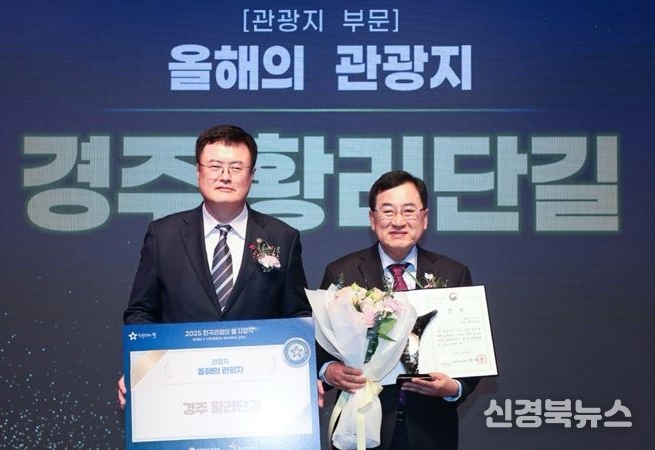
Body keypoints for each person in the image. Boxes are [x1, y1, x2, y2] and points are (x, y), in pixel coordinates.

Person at [117, 124, 313, 407]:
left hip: (258, 393)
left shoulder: (282, 237)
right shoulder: (164, 235)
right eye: (215, 166)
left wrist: (302, 376)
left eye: (236, 167)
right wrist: (140, 370)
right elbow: (141, 313)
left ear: (252, 175)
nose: (225, 176)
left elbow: (297, 317)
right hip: (180, 388)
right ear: (198, 172)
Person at [319, 170, 480, 450]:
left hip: (430, 428)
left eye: (408, 211)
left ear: (425, 218)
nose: (398, 221)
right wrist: (328, 371)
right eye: (387, 211)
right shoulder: (342, 272)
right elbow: (321, 346)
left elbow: (471, 350)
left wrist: (454, 388)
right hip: (361, 424)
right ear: (372, 219)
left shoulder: (454, 273)